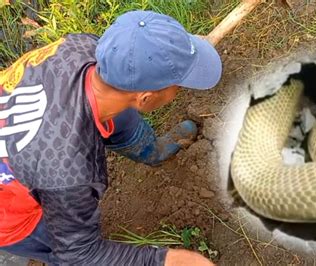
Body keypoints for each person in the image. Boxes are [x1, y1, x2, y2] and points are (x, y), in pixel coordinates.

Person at [0, 10, 221, 265]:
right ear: (146, 98)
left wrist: (184, 53)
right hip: (11, 211)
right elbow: (80, 254)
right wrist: (167, 260)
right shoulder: (70, 172)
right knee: (66, 251)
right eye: (178, 85)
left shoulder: (81, 46)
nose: (180, 89)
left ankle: (152, 151)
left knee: (121, 113)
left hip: (37, 132)